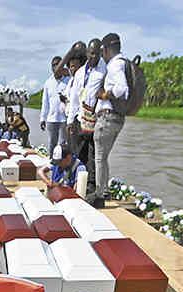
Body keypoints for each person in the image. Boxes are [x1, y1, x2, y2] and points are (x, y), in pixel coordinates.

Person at [94, 32, 128, 208]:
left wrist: (104, 95)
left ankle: (99, 195)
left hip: (107, 117)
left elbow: (122, 89)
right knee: (103, 157)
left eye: (102, 52)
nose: (102, 56)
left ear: (106, 49)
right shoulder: (123, 63)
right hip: (117, 118)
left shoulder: (115, 65)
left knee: (99, 158)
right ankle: (104, 191)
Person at [77, 38, 106, 202]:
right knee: (80, 152)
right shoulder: (81, 72)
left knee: (93, 153)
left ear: (100, 53)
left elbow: (105, 93)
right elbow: (75, 95)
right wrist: (71, 119)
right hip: (81, 117)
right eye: (90, 53)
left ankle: (92, 186)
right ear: (87, 52)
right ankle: (79, 181)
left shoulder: (104, 71)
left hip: (96, 117)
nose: (92, 57)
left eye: (96, 54)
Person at [39, 55, 70, 156]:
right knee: (52, 143)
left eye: (58, 64)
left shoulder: (69, 80)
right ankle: (52, 162)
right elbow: (45, 102)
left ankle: (62, 163)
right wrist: (42, 118)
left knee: (63, 144)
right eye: (53, 65)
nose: (56, 67)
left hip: (64, 119)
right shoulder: (48, 83)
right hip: (51, 119)